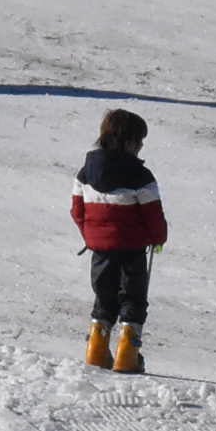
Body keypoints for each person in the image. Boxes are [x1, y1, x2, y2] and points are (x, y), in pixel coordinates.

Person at [70, 108, 166, 374]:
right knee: (133, 297)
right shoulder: (141, 177)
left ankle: (97, 350)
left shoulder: (85, 173)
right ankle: (127, 353)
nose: (141, 147)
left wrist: (91, 234)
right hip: (133, 249)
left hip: (100, 250)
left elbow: (77, 210)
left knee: (104, 295)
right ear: (128, 141)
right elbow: (153, 214)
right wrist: (158, 238)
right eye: (140, 141)